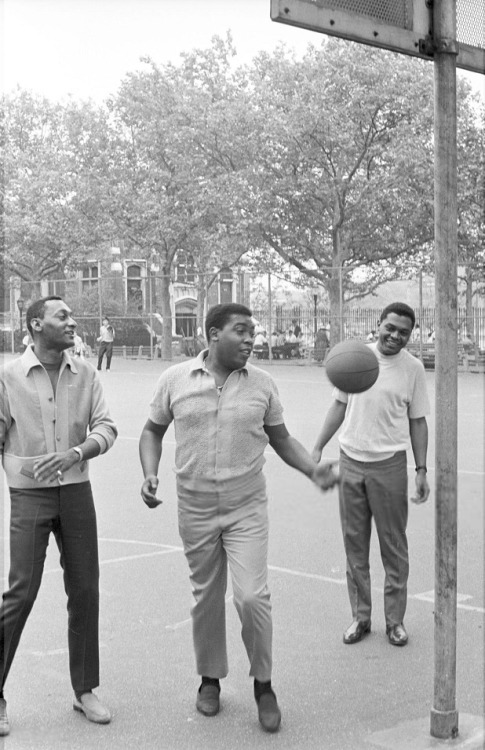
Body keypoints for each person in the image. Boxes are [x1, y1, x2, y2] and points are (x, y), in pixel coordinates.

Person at [138, 303, 338, 733]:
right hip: (194, 503)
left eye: (253, 331)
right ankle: (209, 679)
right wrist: (150, 474)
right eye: (241, 331)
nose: (251, 339)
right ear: (212, 334)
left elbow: (281, 439)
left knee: (251, 597)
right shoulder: (175, 379)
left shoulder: (262, 384)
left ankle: (263, 685)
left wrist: (312, 468)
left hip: (246, 502)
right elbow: (152, 430)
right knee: (206, 596)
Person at [0, 296, 118, 736]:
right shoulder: (8, 376)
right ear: (35, 325)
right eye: (61, 316)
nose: (72, 322)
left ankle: (84, 689)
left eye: (70, 316)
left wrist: (75, 452)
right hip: (29, 498)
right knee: (21, 592)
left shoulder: (86, 373)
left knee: (85, 589)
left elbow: (106, 427)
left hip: (76, 495)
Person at [312, 302, 430, 648]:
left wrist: (421, 469)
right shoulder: (356, 360)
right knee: (355, 545)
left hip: (390, 465)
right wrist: (318, 447)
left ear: (411, 335)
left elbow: (418, 421)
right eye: (390, 327)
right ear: (378, 324)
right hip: (351, 461)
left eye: (403, 332)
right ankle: (361, 617)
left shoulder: (413, 369)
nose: (395, 335)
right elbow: (339, 406)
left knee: (394, 546)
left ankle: (395, 621)